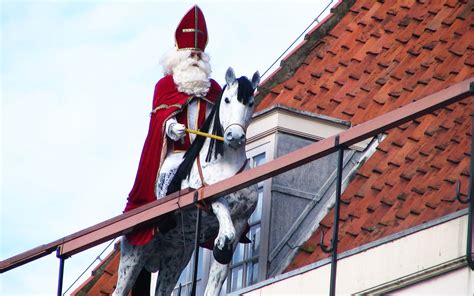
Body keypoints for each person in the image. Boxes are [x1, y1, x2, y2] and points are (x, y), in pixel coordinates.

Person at [124, 5, 222, 246]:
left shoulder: (216, 90)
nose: (197, 60)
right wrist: (169, 126)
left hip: (205, 156)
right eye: (192, 55)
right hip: (177, 153)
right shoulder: (166, 86)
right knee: (171, 172)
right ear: (179, 56)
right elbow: (159, 118)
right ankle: (164, 218)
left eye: (200, 56)